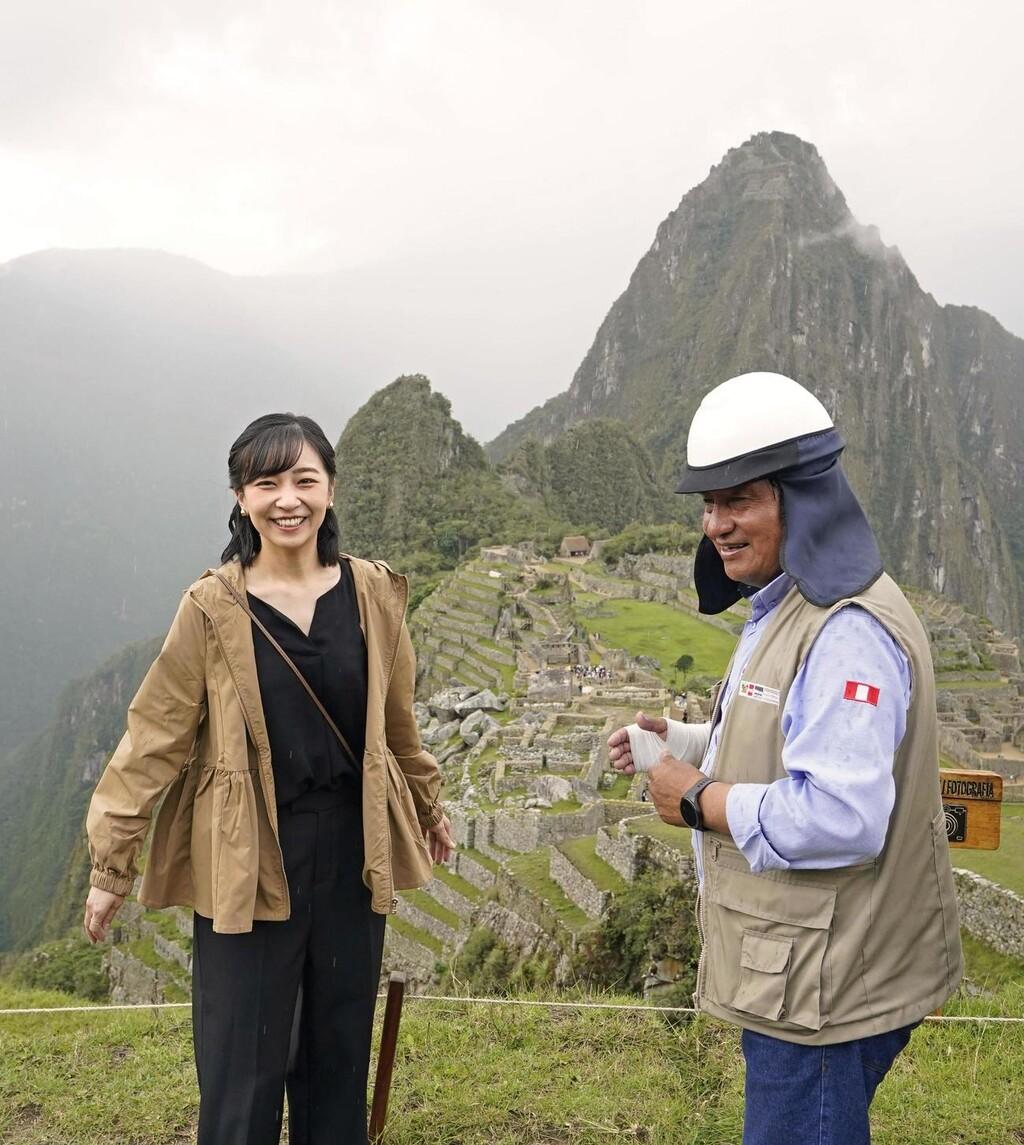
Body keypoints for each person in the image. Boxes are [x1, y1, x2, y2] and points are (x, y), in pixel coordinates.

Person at [608, 373, 962, 1145]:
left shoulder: (846, 631)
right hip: (803, 971)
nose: (716, 524)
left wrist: (696, 797)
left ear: (801, 498)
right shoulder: (787, 600)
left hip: (823, 989)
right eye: (709, 503)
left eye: (739, 500)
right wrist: (684, 742)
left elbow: (842, 815)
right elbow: (789, 736)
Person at [83, 413, 454, 1145]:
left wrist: (427, 802)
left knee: (337, 1055)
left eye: (304, 480)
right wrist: (110, 864)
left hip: (351, 849)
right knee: (240, 1065)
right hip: (245, 851)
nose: (288, 499)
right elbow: (153, 738)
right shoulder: (211, 608)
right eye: (267, 483)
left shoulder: (372, 593)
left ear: (331, 489)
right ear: (241, 498)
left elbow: (396, 720)